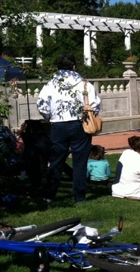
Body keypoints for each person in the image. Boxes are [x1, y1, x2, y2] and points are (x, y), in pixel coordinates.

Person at [37, 53, 101, 203]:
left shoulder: (50, 84)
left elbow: (42, 105)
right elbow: (95, 105)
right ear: (74, 66)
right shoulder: (84, 84)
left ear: (57, 68)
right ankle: (79, 197)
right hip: (80, 124)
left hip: (58, 125)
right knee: (80, 162)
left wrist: (48, 117)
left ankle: (49, 195)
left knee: (56, 160)